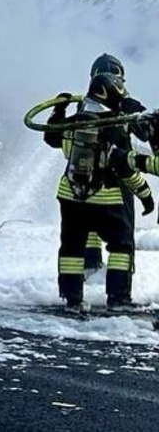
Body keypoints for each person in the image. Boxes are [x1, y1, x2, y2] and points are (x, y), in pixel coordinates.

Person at [43, 71, 154, 311]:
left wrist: (58, 110)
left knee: (71, 247)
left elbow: (51, 138)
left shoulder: (75, 122)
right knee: (121, 246)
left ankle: (72, 298)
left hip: (71, 196)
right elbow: (125, 167)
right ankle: (118, 298)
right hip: (108, 198)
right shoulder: (114, 125)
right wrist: (145, 194)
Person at [83, 54, 151, 274]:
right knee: (122, 238)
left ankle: (90, 269)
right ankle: (119, 288)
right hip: (118, 181)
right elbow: (142, 136)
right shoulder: (119, 109)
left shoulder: (84, 109)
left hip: (83, 182)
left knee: (88, 226)